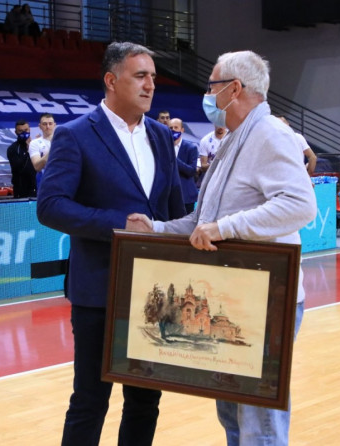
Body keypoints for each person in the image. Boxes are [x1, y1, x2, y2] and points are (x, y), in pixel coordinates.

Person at [129, 49, 316, 446]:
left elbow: (300, 206)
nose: (207, 95)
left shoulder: (271, 135)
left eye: (211, 86)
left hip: (267, 295)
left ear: (234, 89)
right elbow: (205, 220)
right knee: (231, 410)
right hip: (235, 292)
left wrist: (224, 227)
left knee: (259, 418)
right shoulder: (234, 139)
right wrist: (157, 229)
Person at [36, 42, 185, 446]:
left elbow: (173, 209)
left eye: (153, 77)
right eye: (140, 76)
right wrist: (119, 225)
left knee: (145, 401)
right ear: (111, 80)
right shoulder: (75, 135)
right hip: (100, 290)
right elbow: (50, 206)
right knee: (90, 401)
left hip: (153, 291)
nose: (150, 85)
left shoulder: (161, 135)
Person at [169, 117, 199, 213]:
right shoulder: (163, 147)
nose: (173, 130)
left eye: (176, 127)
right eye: (170, 128)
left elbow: (191, 171)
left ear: (182, 130)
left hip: (185, 196)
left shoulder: (191, 148)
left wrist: (174, 160)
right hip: (167, 196)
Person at [7, 120, 37, 198]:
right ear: (16, 132)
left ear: (29, 129)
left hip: (36, 187)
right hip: (20, 190)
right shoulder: (13, 148)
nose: (24, 133)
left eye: (26, 130)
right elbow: (18, 168)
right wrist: (28, 149)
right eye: (20, 131)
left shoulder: (36, 145)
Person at [28, 113, 56, 191]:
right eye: (44, 124)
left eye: (50, 123)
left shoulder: (63, 141)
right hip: (44, 179)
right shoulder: (34, 143)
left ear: (54, 125)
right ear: (40, 126)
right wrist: (54, 148)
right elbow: (37, 167)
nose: (48, 126)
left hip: (62, 178)